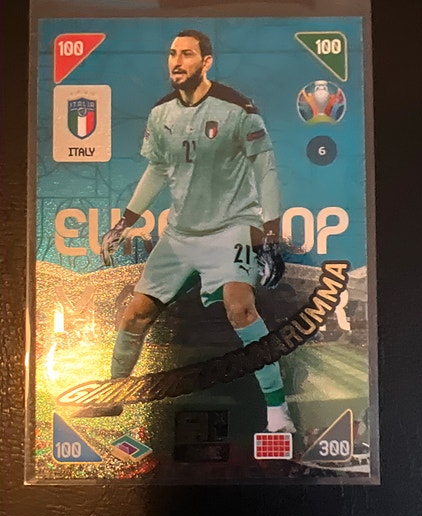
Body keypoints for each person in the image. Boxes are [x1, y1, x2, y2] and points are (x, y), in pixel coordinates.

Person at [100, 29, 295, 433]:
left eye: (187, 54)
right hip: (180, 234)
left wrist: (270, 235)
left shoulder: (238, 109)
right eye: (172, 54)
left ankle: (278, 412)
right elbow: (157, 169)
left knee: (240, 308)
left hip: (231, 227)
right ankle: (112, 396)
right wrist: (125, 222)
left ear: (206, 62)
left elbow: (266, 170)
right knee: (135, 314)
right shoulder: (161, 113)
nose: (177, 61)